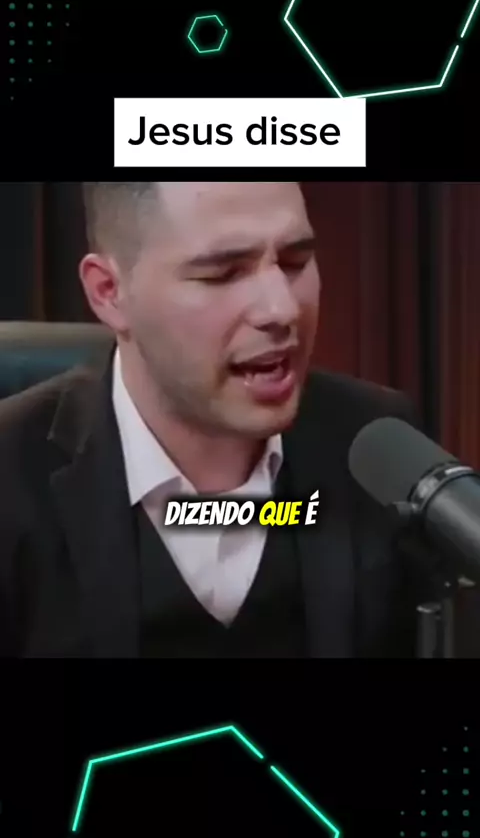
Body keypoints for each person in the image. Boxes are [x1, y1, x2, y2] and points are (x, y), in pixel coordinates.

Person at [0, 182, 424, 658]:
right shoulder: (10, 477)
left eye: (295, 261)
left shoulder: (379, 443)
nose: (281, 309)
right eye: (223, 274)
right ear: (110, 292)